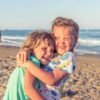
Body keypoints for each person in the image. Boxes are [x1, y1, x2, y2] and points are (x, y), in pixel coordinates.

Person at [16, 17, 79, 99]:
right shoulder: (54, 53)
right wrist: (26, 50)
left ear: (75, 40)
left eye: (66, 38)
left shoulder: (68, 58)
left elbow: (51, 80)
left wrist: (28, 64)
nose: (61, 42)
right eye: (57, 38)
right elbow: (38, 46)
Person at [3, 31, 55, 100]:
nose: (49, 53)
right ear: (32, 49)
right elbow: (29, 89)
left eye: (51, 50)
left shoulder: (32, 61)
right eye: (44, 48)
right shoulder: (33, 62)